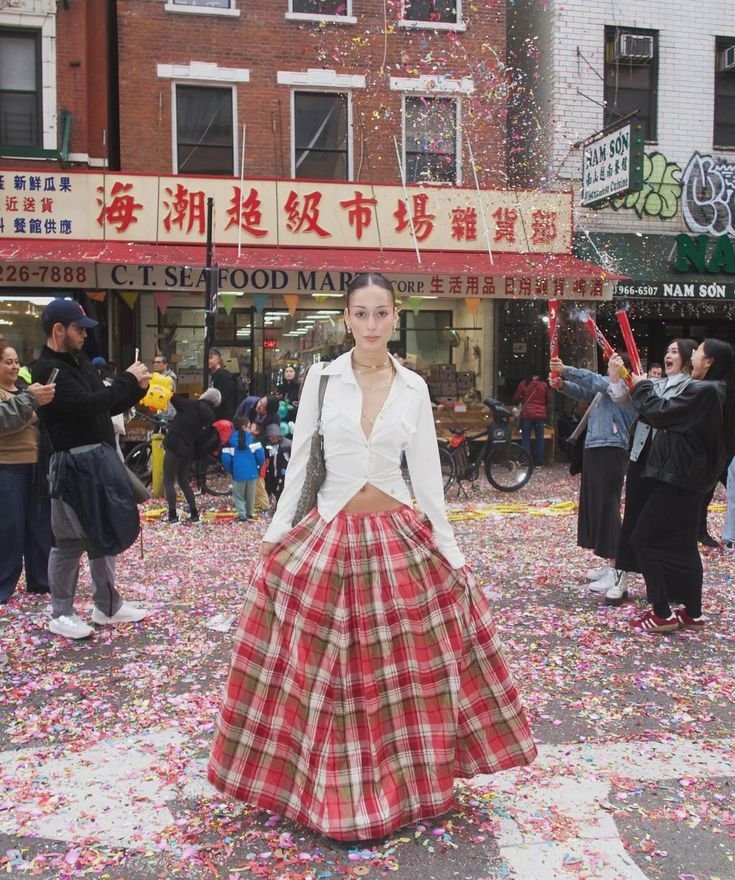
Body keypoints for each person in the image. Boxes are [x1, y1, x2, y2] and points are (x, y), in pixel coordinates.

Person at [208, 271, 536, 842]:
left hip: (397, 537)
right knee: (328, 680)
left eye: (380, 313)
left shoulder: (413, 387)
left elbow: (427, 474)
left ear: (395, 316)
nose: (370, 324)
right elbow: (304, 457)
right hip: (332, 531)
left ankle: (406, 788)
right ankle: (328, 792)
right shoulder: (322, 378)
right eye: (360, 313)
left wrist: (449, 548)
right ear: (346, 319)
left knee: (399, 680)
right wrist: (274, 537)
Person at [32, 300, 151, 640]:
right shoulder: (47, 369)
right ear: (59, 330)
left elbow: (106, 403)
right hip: (69, 464)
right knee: (69, 540)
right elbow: (85, 406)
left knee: (104, 532)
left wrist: (134, 389)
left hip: (97, 459)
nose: (85, 334)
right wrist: (127, 380)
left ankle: (107, 604)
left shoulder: (79, 362)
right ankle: (62, 612)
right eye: (79, 328)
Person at [627, 339, 734, 633]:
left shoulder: (705, 391)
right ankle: (693, 612)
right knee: (683, 543)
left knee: (643, 538)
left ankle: (662, 612)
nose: (693, 357)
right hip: (695, 478)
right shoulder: (719, 391)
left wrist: (641, 387)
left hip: (680, 477)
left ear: (709, 361)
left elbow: (661, 412)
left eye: (697, 352)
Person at [609, 340, 696, 606]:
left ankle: (660, 583)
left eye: (674, 351)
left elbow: (660, 409)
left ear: (687, 358)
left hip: (668, 463)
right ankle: (619, 577)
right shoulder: (654, 383)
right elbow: (623, 400)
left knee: (659, 523)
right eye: (667, 350)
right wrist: (617, 376)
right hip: (641, 456)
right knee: (632, 515)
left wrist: (642, 386)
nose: (668, 355)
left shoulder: (691, 387)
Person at [549, 354, 636, 594]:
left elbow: (597, 383)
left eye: (614, 366)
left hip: (611, 447)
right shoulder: (607, 388)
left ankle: (618, 568)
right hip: (596, 446)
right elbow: (588, 393)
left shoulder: (626, 387)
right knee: (596, 506)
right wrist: (563, 385)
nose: (610, 369)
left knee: (608, 507)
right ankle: (609, 562)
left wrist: (566, 368)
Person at [0, 340, 56, 603]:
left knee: (39, 526)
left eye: (15, 362)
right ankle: (4, 585)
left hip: (35, 465)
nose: (13, 366)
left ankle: (41, 581)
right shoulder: (23, 395)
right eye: (7, 361)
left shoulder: (23, 389)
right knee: (10, 528)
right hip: (6, 467)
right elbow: (6, 421)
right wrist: (30, 404)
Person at [162, 387, 221, 524]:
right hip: (189, 449)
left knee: (168, 481)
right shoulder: (210, 415)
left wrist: (168, 388)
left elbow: (172, 397)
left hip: (175, 445)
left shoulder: (191, 405)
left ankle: (172, 516)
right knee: (183, 481)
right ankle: (194, 514)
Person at [222, 417, 265, 521]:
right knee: (251, 495)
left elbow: (226, 459)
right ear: (244, 427)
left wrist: (230, 470)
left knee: (239, 495)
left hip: (238, 473)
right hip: (252, 472)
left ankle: (242, 514)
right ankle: (249, 513)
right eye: (249, 426)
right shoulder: (253, 440)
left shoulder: (229, 442)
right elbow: (260, 457)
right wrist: (257, 466)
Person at [513, 374, 549, 466]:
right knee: (540, 439)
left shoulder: (524, 383)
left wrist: (521, 400)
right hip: (540, 416)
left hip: (527, 414)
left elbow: (517, 397)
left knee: (526, 438)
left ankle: (526, 461)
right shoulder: (544, 385)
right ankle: (539, 462)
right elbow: (548, 399)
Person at [263, 421, 292, 504]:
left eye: (274, 437)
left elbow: (290, 458)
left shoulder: (287, 445)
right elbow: (266, 458)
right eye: (270, 437)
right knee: (271, 488)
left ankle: (279, 506)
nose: (272, 439)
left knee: (280, 490)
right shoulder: (268, 446)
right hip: (271, 473)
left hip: (282, 472)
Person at [208, 349, 238, 421]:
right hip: (217, 416)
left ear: (218, 359)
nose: (208, 361)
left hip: (224, 418)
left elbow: (225, 397)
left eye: (210, 358)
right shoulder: (213, 375)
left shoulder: (223, 375)